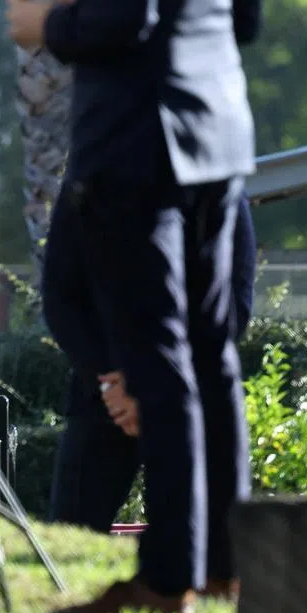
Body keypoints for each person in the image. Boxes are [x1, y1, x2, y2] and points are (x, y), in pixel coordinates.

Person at [6, 0, 260, 613]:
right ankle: (228, 568)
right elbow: (245, 19)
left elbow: (122, 18)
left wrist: (47, 23)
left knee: (158, 364)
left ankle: (165, 579)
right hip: (220, 145)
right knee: (212, 365)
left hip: (137, 154)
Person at [44, 190, 258, 534]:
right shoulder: (87, 184)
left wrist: (153, 384)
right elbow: (60, 298)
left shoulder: (217, 187)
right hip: (104, 399)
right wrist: (112, 380)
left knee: (203, 545)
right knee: (69, 542)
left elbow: (232, 308)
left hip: (186, 401)